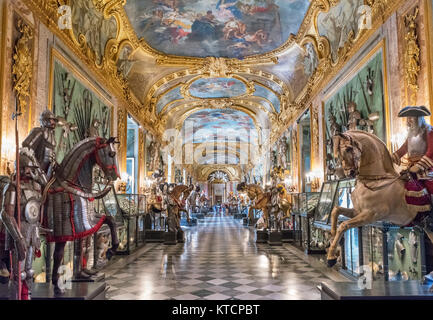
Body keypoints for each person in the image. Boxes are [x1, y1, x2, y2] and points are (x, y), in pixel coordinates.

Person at [0, 148, 46, 300]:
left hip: (31, 234)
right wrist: (18, 239)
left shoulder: (35, 187)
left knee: (29, 272)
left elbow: (35, 215)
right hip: (18, 236)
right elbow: (6, 215)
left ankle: (26, 297)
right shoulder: (13, 187)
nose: (30, 172)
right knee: (18, 274)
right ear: (20, 167)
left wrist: (37, 235)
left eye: (31, 169)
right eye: (27, 168)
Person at [392, 106, 433, 212]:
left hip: (427, 168)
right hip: (411, 167)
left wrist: (419, 166)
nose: (409, 120)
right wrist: (392, 157)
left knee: (429, 187)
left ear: (419, 118)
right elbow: (404, 149)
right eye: (408, 118)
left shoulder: (429, 131)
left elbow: (431, 152)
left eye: (411, 117)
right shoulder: (410, 134)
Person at [22, 110, 58, 181]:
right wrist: (33, 166)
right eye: (51, 120)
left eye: (54, 120)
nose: (53, 122)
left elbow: (51, 156)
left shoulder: (53, 138)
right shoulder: (38, 131)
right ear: (45, 120)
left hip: (48, 170)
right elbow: (27, 148)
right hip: (36, 168)